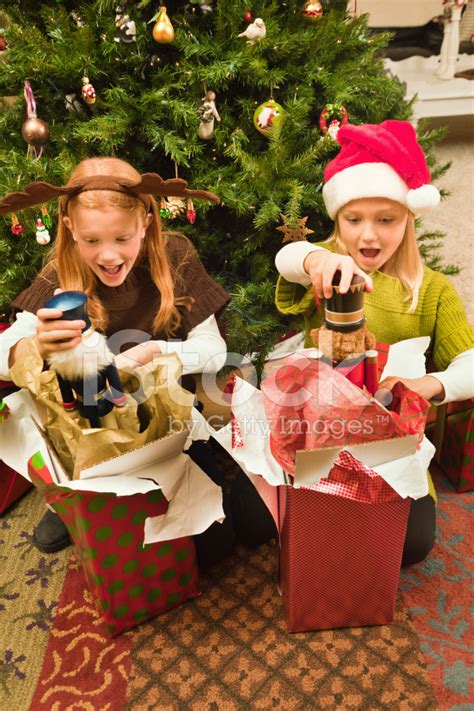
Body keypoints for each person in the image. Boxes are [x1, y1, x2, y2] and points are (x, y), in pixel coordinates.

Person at [0, 157, 236, 567]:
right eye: (91, 241)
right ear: (70, 228)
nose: (108, 256)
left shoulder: (173, 253)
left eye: (122, 238)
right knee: (113, 531)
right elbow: (6, 353)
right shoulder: (61, 271)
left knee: (220, 546)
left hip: (165, 422)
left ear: (146, 222)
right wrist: (32, 346)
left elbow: (213, 350)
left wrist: (151, 354)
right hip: (92, 429)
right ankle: (77, 496)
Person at [274, 120, 474, 566]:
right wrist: (316, 257)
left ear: (409, 218)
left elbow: (470, 364)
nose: (368, 235)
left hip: (391, 448)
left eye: (386, 220)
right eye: (354, 220)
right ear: (337, 219)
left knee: (411, 546)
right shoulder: (327, 269)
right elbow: (286, 259)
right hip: (320, 436)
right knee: (268, 524)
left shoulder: (432, 290)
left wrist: (432, 385)